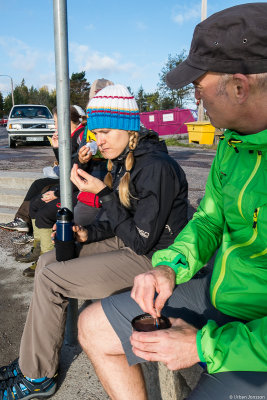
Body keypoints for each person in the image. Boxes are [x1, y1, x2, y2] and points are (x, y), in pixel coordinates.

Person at [75, 4, 267, 400]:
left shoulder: (156, 166)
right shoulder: (233, 144)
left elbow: (139, 233)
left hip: (254, 333)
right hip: (218, 291)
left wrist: (202, 346)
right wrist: (169, 268)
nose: (194, 96)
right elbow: (209, 222)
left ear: (239, 87)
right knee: (92, 326)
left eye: (199, 86)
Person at [0, 83, 188, 400]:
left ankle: (37, 376)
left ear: (128, 129)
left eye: (105, 132)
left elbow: (140, 242)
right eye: (96, 132)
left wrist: (102, 193)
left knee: (50, 277)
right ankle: (31, 363)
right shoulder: (125, 157)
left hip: (157, 260)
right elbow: (117, 221)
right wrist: (88, 234)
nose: (98, 140)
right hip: (132, 245)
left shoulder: (155, 167)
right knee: (48, 261)